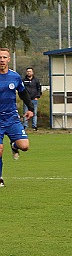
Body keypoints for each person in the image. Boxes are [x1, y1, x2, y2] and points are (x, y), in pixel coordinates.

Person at [0, 48, 34, 187]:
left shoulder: (15, 76)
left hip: (12, 118)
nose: (1, 60)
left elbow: (23, 93)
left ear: (9, 59)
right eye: (0, 57)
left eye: (4, 57)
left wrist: (31, 108)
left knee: (25, 147)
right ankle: (0, 177)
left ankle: (14, 145)